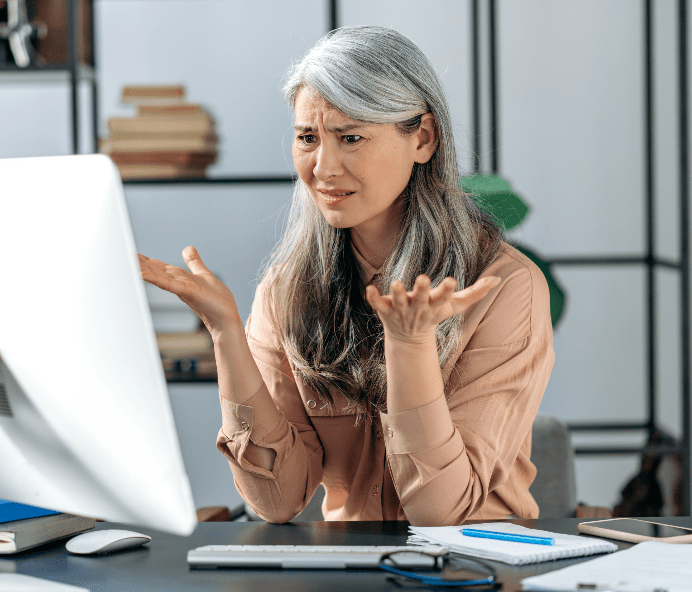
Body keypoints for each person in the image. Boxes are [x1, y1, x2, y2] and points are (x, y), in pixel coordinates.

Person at [139, 25, 553, 526]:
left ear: (422, 138)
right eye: (307, 138)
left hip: (477, 565)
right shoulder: (286, 290)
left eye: (350, 137)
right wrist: (226, 332)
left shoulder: (505, 287)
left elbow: (440, 511)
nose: (323, 167)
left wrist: (411, 345)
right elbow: (277, 499)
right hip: (347, 568)